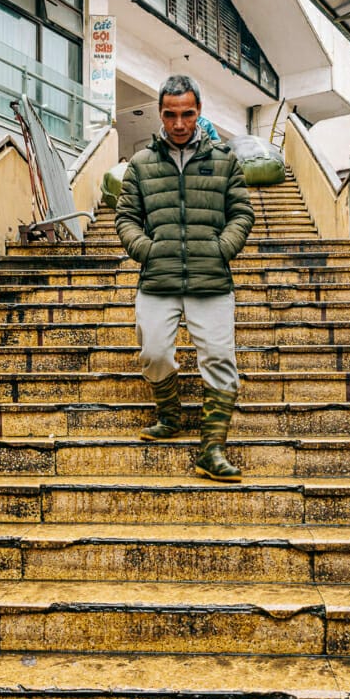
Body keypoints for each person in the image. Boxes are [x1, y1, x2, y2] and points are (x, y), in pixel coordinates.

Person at [115, 75, 254, 482]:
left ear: (199, 112)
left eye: (187, 114)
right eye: (170, 115)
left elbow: (241, 213)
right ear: (160, 114)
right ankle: (170, 415)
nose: (179, 124)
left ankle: (212, 450)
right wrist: (147, 249)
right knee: (154, 353)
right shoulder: (141, 164)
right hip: (158, 279)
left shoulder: (224, 160)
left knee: (220, 359)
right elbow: (126, 217)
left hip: (211, 280)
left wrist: (221, 248)